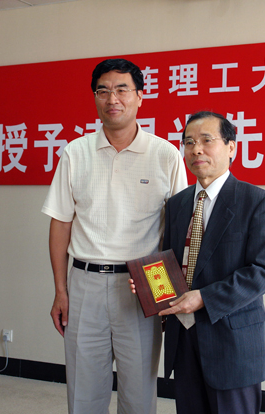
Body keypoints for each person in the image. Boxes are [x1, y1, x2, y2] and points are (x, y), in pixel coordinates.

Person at [41, 58, 187, 414]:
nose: (112, 99)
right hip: (84, 282)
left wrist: (167, 295)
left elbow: (176, 229)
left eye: (122, 89)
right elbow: (60, 224)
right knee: (83, 390)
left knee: (139, 392)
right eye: (103, 91)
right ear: (95, 97)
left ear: (140, 96)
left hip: (143, 283)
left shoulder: (165, 154)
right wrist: (61, 290)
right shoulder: (75, 152)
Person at [146, 111, 265, 413]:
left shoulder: (258, 202)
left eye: (207, 140)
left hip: (231, 340)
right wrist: (150, 287)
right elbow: (170, 262)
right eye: (189, 142)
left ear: (231, 147)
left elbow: (263, 271)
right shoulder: (178, 204)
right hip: (183, 337)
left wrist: (204, 298)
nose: (196, 149)